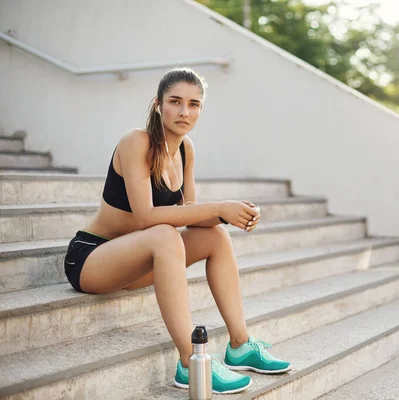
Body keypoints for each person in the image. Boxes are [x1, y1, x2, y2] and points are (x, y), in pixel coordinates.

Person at [63, 67, 291, 394]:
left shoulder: (186, 149)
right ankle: (191, 361)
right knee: (164, 234)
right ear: (158, 104)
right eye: (176, 101)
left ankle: (240, 344)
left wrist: (232, 214)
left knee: (214, 236)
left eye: (194, 104)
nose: (185, 112)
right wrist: (218, 207)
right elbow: (146, 217)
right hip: (92, 259)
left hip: (136, 263)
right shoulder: (135, 142)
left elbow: (189, 215)